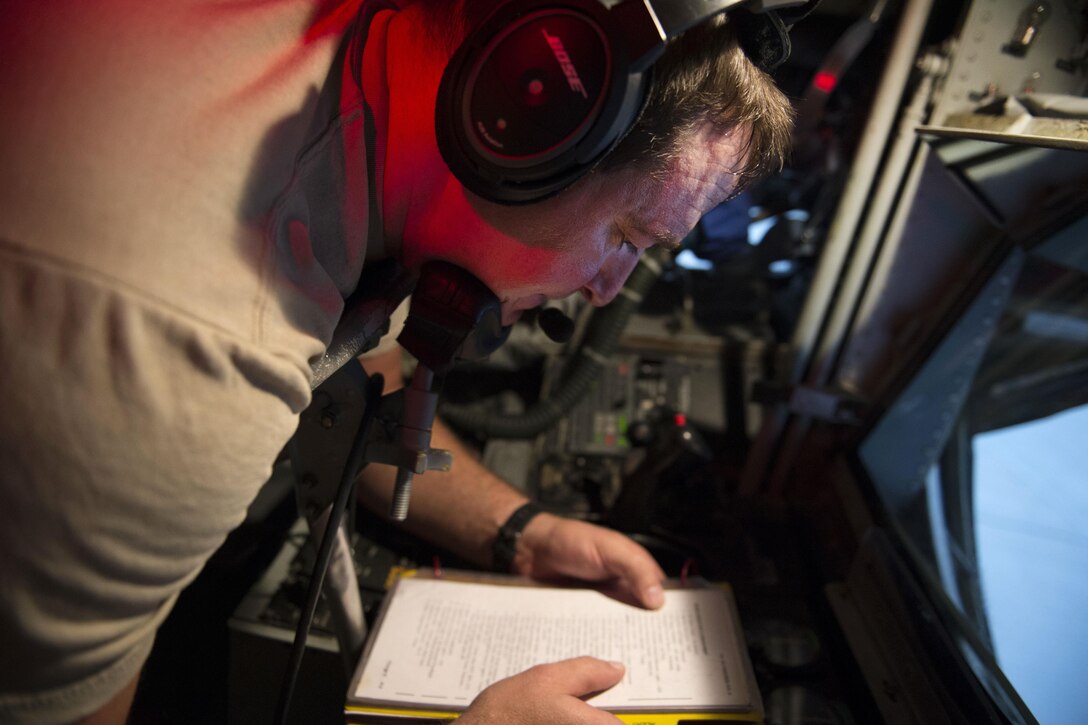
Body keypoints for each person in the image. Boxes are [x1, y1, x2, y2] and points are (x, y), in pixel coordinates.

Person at [0, 0, 794, 723]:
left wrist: (520, 530)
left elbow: (345, 384)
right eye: (628, 237)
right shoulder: (188, 365)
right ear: (534, 112)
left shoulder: (372, 65)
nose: (604, 291)